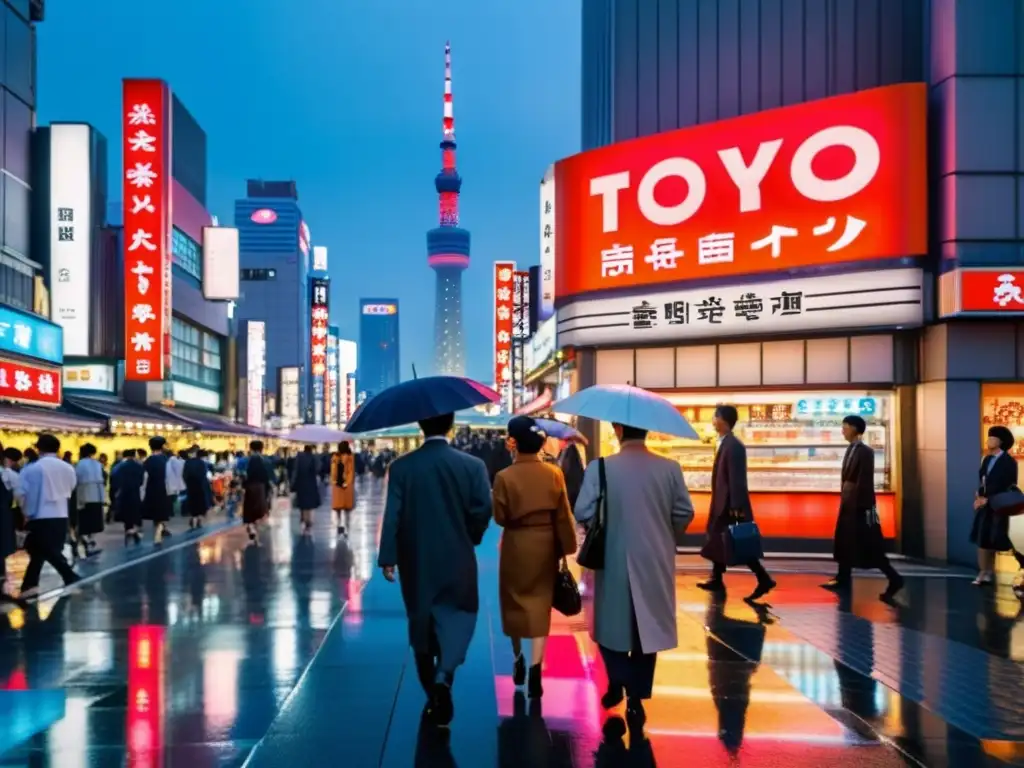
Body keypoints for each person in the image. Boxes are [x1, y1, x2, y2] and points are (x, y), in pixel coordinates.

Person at [574, 421, 694, 729]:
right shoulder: (669, 468)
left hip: (612, 555)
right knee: (646, 629)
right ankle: (637, 698)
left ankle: (618, 680)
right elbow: (684, 512)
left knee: (609, 624)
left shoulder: (601, 468)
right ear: (647, 430)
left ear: (618, 430)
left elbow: (582, 511)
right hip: (655, 558)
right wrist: (665, 534)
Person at [378, 412, 493, 727]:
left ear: (419, 425)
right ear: (451, 426)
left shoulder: (402, 467)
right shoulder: (473, 466)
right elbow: (484, 507)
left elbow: (393, 514)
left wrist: (388, 556)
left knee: (421, 620)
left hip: (417, 558)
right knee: (458, 616)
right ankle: (445, 677)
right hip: (458, 556)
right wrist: (471, 533)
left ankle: (433, 690)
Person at [492, 415, 577, 699]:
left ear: (514, 443)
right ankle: (536, 669)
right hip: (545, 545)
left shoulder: (504, 477)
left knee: (515, 601)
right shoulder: (553, 474)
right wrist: (566, 547)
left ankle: (518, 657)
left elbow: (500, 516)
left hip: (516, 543)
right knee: (541, 604)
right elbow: (563, 515)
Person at [698, 405, 776, 601]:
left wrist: (737, 510)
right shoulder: (725, 443)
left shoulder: (734, 446)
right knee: (718, 539)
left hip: (729, 505)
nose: (713, 421)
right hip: (722, 502)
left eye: (715, 417)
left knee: (738, 541)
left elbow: (737, 480)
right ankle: (716, 578)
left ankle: (763, 577)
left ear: (723, 420)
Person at [822, 415, 904, 599]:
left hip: (860, 507)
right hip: (850, 503)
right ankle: (843, 577)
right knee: (846, 542)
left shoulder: (865, 452)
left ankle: (894, 578)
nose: (842, 430)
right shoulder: (852, 449)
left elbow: (864, 481)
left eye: (845, 427)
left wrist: (861, 507)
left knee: (869, 546)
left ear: (854, 428)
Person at [14, 434, 80, 599]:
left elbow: (22, 493)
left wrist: (26, 513)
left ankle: (69, 575)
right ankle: (29, 585)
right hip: (61, 513)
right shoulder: (67, 468)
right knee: (41, 550)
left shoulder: (32, 469)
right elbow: (71, 488)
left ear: (39, 448)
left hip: (39, 515)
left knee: (44, 549)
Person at [970, 425, 1018, 586]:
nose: (989, 441)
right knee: (982, 538)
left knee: (993, 538)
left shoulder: (1009, 462)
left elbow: (1008, 485)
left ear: (1000, 441)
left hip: (998, 505)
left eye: (992, 438)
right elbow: (983, 480)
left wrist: (989, 499)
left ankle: (989, 571)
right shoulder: (987, 459)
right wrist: (979, 495)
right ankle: (983, 571)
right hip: (985, 505)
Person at [73, 443, 106, 556]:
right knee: (94, 523)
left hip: (84, 496)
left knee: (83, 523)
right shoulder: (97, 464)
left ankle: (83, 544)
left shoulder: (79, 464)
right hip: (97, 496)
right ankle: (89, 542)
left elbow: (76, 480)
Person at [0, 447, 22, 598]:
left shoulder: (7, 474)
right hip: (3, 515)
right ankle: (2, 580)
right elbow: (20, 495)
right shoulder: (8, 474)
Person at [242, 440, 271, 544]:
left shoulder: (246, 460)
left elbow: (243, 474)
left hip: (250, 487)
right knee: (259, 510)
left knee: (249, 509)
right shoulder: (265, 460)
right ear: (262, 448)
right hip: (261, 488)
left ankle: (251, 528)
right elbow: (267, 476)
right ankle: (256, 535)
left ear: (251, 448)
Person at [114, 449, 145, 543]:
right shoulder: (139, 466)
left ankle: (128, 529)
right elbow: (141, 480)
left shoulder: (121, 467)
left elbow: (115, 478)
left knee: (126, 512)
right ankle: (135, 530)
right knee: (136, 511)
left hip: (124, 493)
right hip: (135, 492)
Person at [292, 445, 321, 533]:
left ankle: (304, 521)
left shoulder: (299, 458)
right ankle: (308, 523)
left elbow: (295, 471)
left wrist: (292, 483)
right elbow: (318, 469)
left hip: (301, 482)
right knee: (310, 504)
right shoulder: (314, 458)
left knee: (303, 504)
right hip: (311, 483)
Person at [182, 445, 213, 529]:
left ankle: (194, 519)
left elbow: (184, 475)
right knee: (200, 503)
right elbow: (203, 474)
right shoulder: (201, 462)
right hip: (200, 486)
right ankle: (197, 520)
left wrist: (187, 483)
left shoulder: (187, 462)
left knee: (193, 504)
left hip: (191, 486)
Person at [330, 441, 356, 538]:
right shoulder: (350, 457)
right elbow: (351, 472)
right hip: (345, 486)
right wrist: (347, 483)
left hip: (338, 486)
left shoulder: (335, 457)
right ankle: (346, 527)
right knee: (346, 510)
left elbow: (333, 471)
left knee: (339, 509)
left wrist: (334, 481)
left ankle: (340, 526)